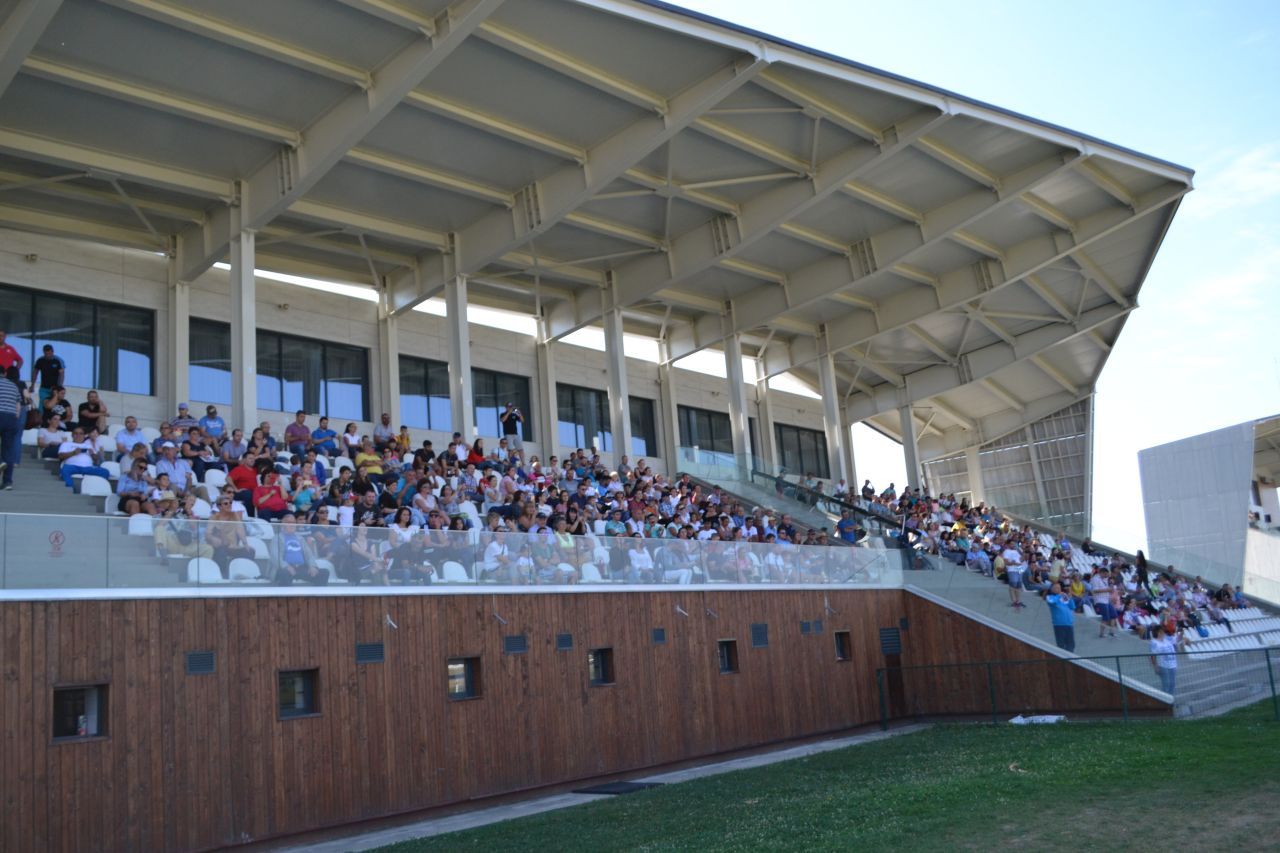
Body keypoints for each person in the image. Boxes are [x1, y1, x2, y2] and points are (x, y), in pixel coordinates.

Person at [0, 365, 25, 490]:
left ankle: (1, 461)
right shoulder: (13, 386)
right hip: (11, 419)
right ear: (4, 373)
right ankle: (7, 482)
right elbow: (18, 406)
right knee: (8, 450)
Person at [1149, 623, 1185, 695]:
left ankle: (1170, 698)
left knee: (1172, 684)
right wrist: (1155, 667)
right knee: (1166, 684)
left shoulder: (1167, 639)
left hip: (1172, 665)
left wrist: (1181, 633)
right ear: (1158, 632)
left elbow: (1178, 639)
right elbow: (1152, 655)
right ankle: (1164, 699)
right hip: (1163, 666)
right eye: (1162, 631)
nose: (1164, 633)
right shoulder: (1154, 642)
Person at [30, 344, 64, 409]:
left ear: (52, 352)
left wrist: (60, 386)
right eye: (46, 354)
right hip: (43, 388)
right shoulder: (40, 360)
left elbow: (61, 374)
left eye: (49, 353)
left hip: (54, 389)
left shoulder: (57, 361)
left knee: (53, 406)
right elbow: (35, 372)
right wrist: (32, 384)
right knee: (42, 406)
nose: (48, 355)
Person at [1045, 582, 1076, 653]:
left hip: (1069, 624)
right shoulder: (1050, 597)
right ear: (1051, 589)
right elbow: (1051, 602)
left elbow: (1072, 607)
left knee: (1071, 645)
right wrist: (1059, 595)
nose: (1058, 589)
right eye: (1056, 588)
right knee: (1061, 644)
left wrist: (1070, 598)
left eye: (1059, 588)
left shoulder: (1063, 597)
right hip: (1059, 625)